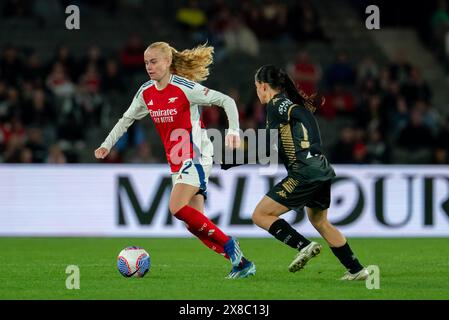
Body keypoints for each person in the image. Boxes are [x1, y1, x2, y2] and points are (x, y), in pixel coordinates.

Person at [94, 42, 255, 279]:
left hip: (196, 155)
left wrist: (233, 131)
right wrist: (106, 145)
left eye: (154, 61)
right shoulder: (146, 92)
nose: (149, 66)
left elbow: (227, 101)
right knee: (194, 225)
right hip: (177, 161)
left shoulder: (185, 87)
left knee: (176, 207)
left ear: (168, 61)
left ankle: (231, 245)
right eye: (146, 62)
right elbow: (126, 119)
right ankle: (242, 264)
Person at [251, 65, 369, 280]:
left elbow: (262, 146)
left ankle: (303, 246)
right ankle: (357, 269)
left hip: (304, 172)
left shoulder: (276, 105)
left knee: (260, 215)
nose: (257, 93)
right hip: (321, 169)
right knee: (320, 222)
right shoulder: (294, 106)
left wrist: (226, 156)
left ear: (264, 86)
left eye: (257, 87)